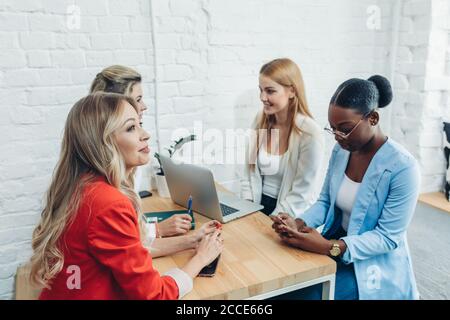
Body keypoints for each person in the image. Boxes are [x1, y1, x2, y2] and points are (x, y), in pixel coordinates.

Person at [29, 93, 223, 299]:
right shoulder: (110, 203)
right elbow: (154, 295)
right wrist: (200, 259)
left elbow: (130, 251)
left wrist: (191, 240)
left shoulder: (81, 187)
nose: (145, 134)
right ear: (102, 143)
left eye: (140, 124)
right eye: (131, 127)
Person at [271, 75, 420, 300]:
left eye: (345, 129)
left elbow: (388, 238)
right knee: (277, 284)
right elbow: (324, 201)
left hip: (371, 264)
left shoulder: (403, 167)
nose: (338, 137)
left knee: (304, 296)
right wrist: (298, 222)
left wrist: (330, 247)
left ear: (373, 118)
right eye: (333, 129)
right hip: (333, 244)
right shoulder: (342, 151)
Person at [90, 65, 192, 241]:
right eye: (138, 99)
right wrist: (157, 230)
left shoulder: (126, 154)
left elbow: (123, 234)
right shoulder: (104, 190)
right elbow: (123, 242)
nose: (143, 106)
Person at [240, 58, 324, 216]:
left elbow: (302, 194)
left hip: (289, 214)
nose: (262, 97)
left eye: (270, 91)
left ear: (292, 91)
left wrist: (272, 221)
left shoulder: (310, 133)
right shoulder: (260, 119)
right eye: (261, 90)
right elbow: (248, 173)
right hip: (257, 206)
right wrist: (247, 210)